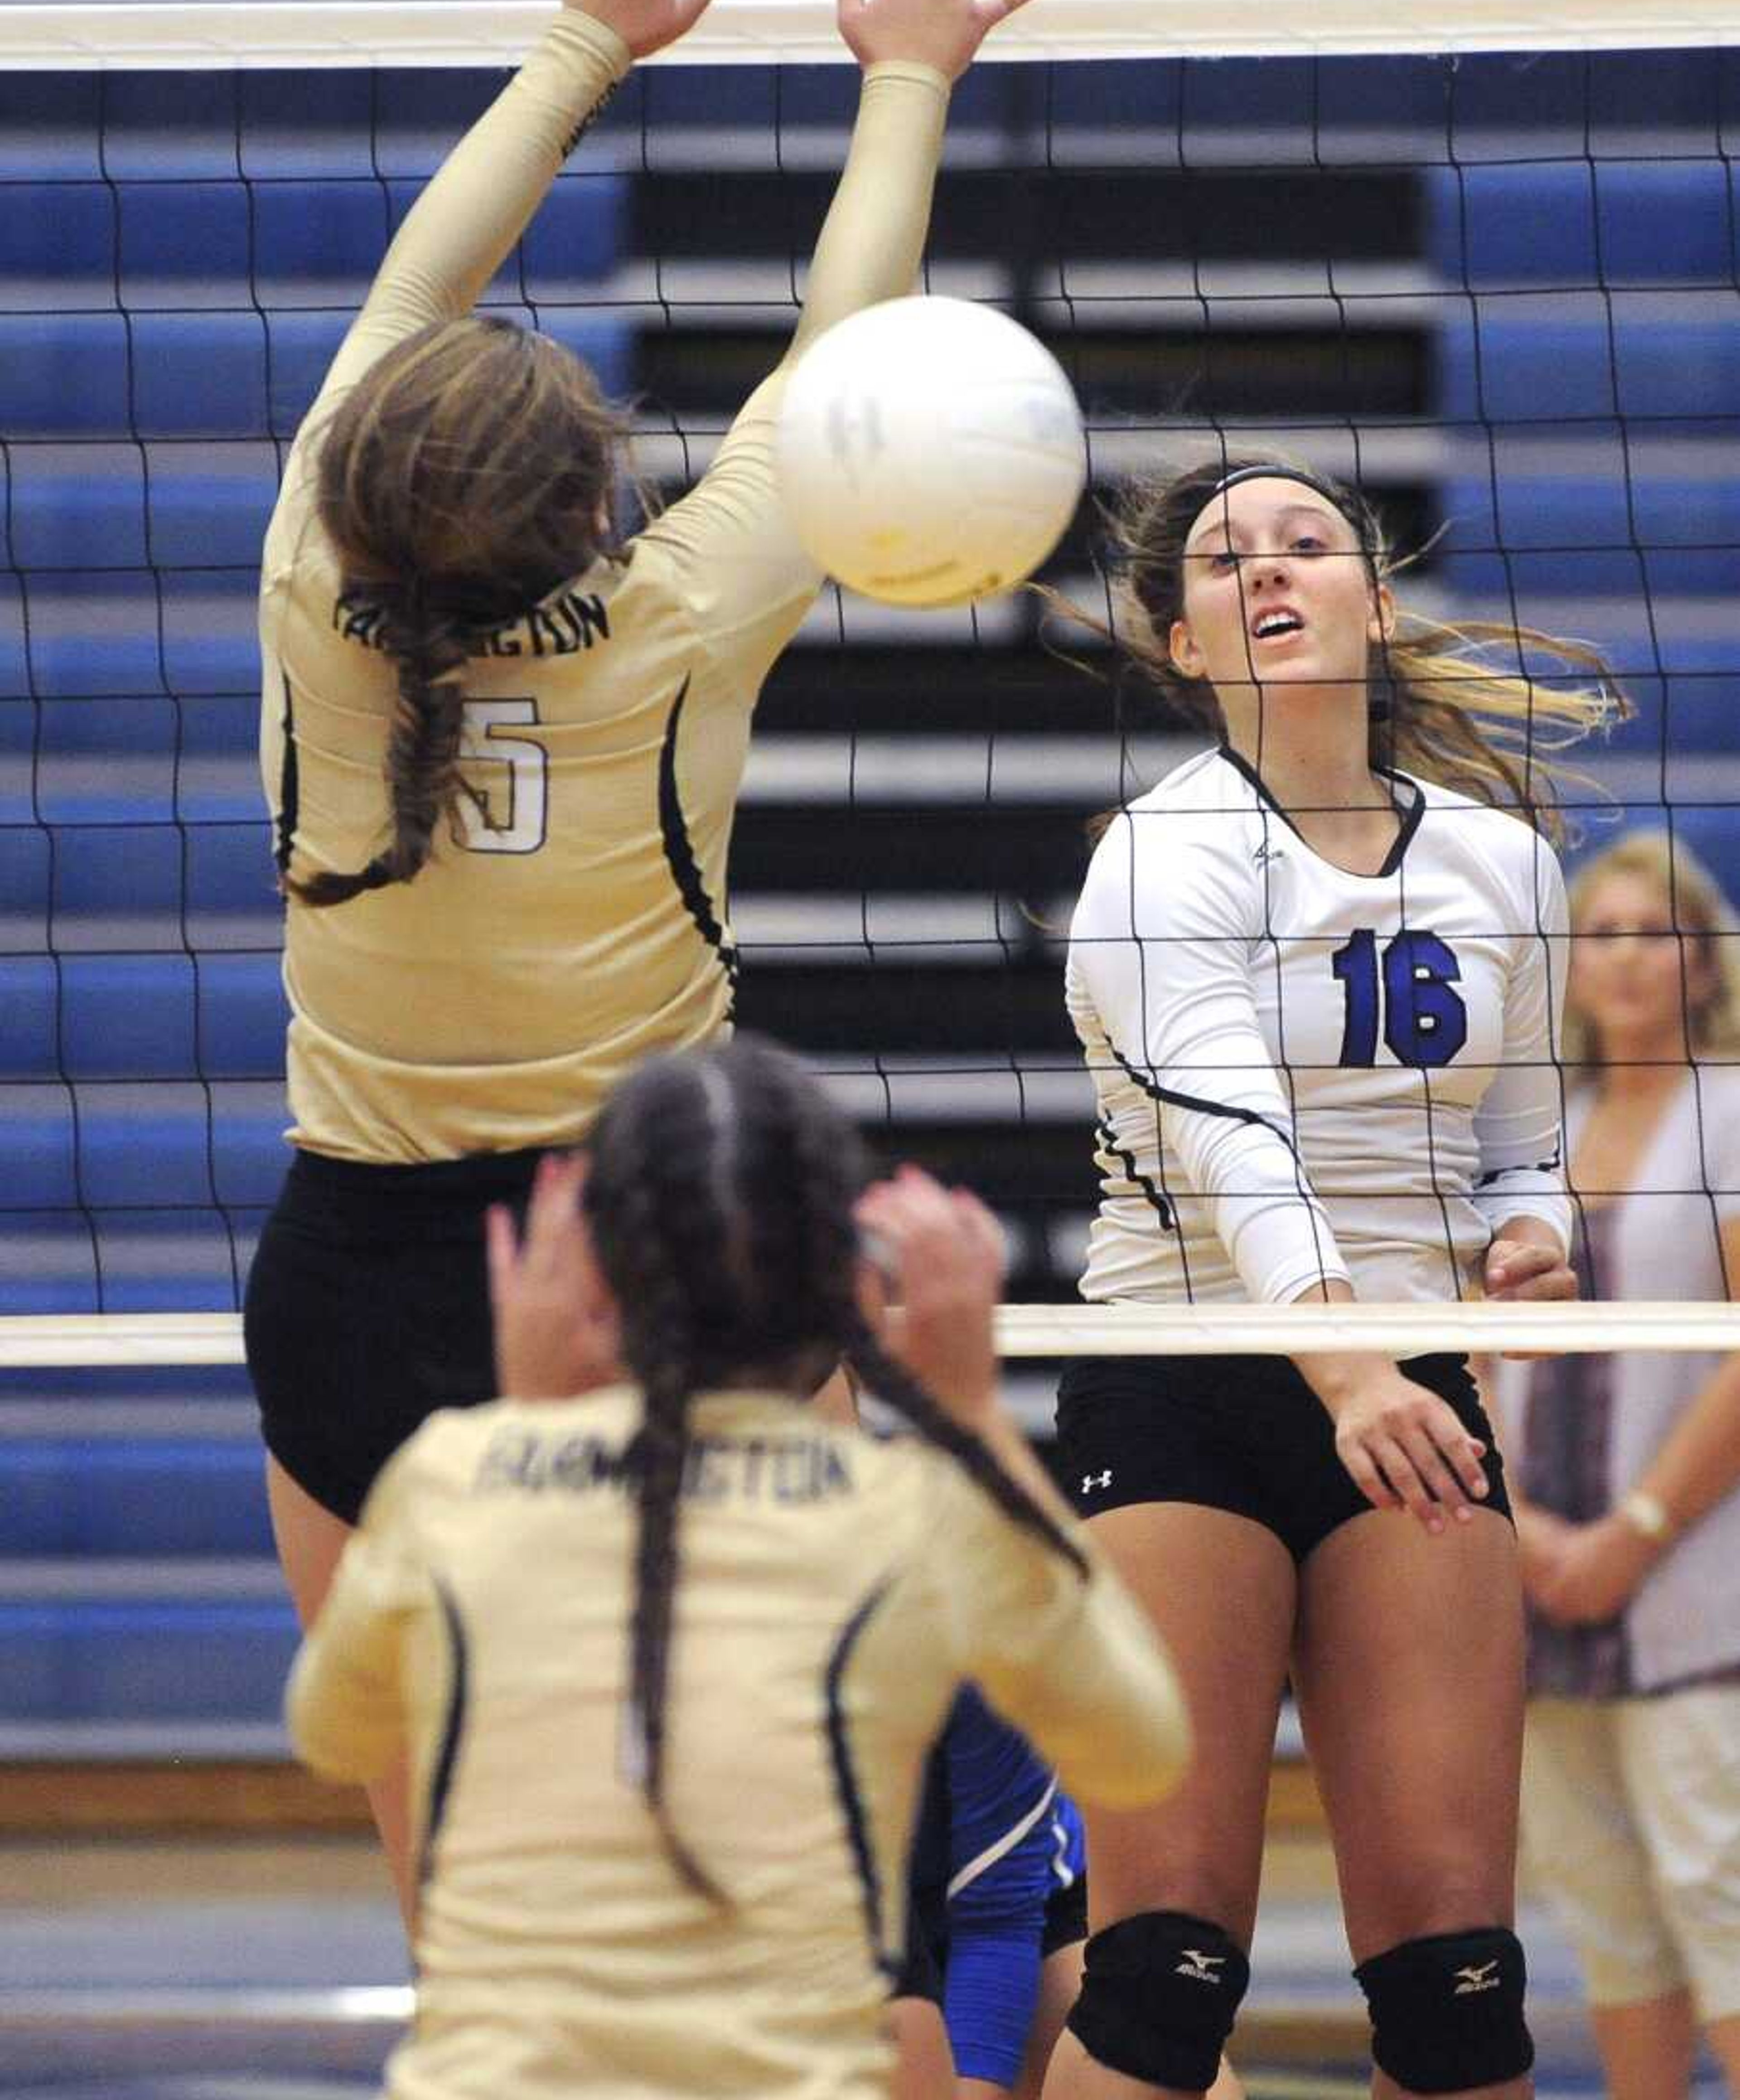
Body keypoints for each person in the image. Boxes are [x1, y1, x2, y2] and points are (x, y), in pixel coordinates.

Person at [245, 0, 1046, 1913]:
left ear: (368, 489)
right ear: (589, 498)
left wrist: (582, 37)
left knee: (461, 1893)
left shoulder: (308, 589)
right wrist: (909, 73)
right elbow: (845, 350)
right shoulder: (676, 623)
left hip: (346, 1280)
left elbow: (407, 300)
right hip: (657, 1253)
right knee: (738, 1833)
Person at [285, 1035, 1190, 2100]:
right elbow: (1143, 1748)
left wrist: (526, 1426)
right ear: (847, 1285)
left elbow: (331, 1730)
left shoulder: (453, 1482)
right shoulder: (908, 1518)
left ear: (587, 1267)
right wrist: (976, 1421)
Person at [1041, 457, 1614, 2100]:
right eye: (1226, 561)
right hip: (1187, 1384)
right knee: (1163, 1975)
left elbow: (1519, 1145)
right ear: (1183, 640)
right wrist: (1349, 1364)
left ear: (1374, 599)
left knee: (1458, 1989)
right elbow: (1233, 1146)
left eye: (1310, 544)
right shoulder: (1166, 854)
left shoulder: (1502, 864)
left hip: (1406, 1395)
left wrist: (1529, 1242)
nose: (1272, 571)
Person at [1496, 832, 1740, 2100]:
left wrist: (1633, 1532)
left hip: (1695, 1577)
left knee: (1721, 1889)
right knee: (1607, 1908)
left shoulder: (1735, 1110)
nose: (1632, 956)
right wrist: (1528, 1533)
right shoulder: (1543, 1129)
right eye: (1606, 932)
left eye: (1659, 932)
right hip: (1541, 1584)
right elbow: (1480, 1353)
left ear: (1705, 963)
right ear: (1570, 967)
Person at [900, 1686, 1088, 2099]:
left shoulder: (989, 1654)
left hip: (1023, 1899)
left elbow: (998, 1923)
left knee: (1155, 2041)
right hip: (834, 1905)